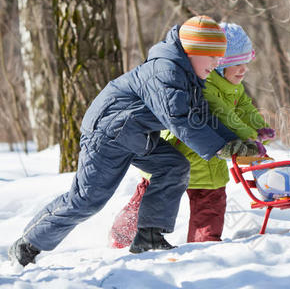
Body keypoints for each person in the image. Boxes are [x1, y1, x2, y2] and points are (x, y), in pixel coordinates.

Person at [8, 16, 262, 267]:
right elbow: (180, 119)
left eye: (220, 57)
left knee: (173, 166)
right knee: (87, 199)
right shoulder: (166, 71)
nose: (217, 63)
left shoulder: (189, 76)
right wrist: (222, 147)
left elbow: (200, 116)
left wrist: (234, 141)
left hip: (137, 135)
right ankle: (29, 244)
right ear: (193, 51)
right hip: (107, 133)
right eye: (213, 56)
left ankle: (149, 235)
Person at [109, 22, 275, 247]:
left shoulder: (234, 84)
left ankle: (203, 245)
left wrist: (258, 126)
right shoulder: (205, 86)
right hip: (181, 150)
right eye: (237, 64)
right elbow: (223, 115)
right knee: (153, 196)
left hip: (209, 162)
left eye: (246, 62)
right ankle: (123, 234)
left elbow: (244, 106)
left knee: (211, 203)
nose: (243, 69)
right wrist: (249, 137)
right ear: (218, 65)